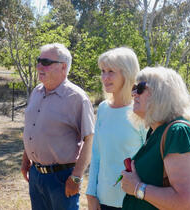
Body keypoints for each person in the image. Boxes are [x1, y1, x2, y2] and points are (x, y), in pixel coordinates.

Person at [21, 43, 95, 210]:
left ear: (63, 67)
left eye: (46, 62)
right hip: (36, 174)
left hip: (62, 178)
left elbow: (89, 140)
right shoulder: (36, 91)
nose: (39, 66)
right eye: (38, 61)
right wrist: (26, 159)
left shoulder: (77, 98)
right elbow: (32, 128)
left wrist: (76, 177)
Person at [121, 66, 190, 210]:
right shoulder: (156, 132)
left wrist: (137, 188)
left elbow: (188, 204)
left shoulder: (178, 132)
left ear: (161, 92)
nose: (134, 93)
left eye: (140, 88)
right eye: (133, 88)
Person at [86, 47, 146, 210]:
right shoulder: (104, 108)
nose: (105, 77)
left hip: (134, 202)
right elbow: (97, 154)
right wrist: (91, 193)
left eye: (111, 71)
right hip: (103, 200)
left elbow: (151, 161)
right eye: (103, 71)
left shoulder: (142, 111)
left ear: (127, 74)